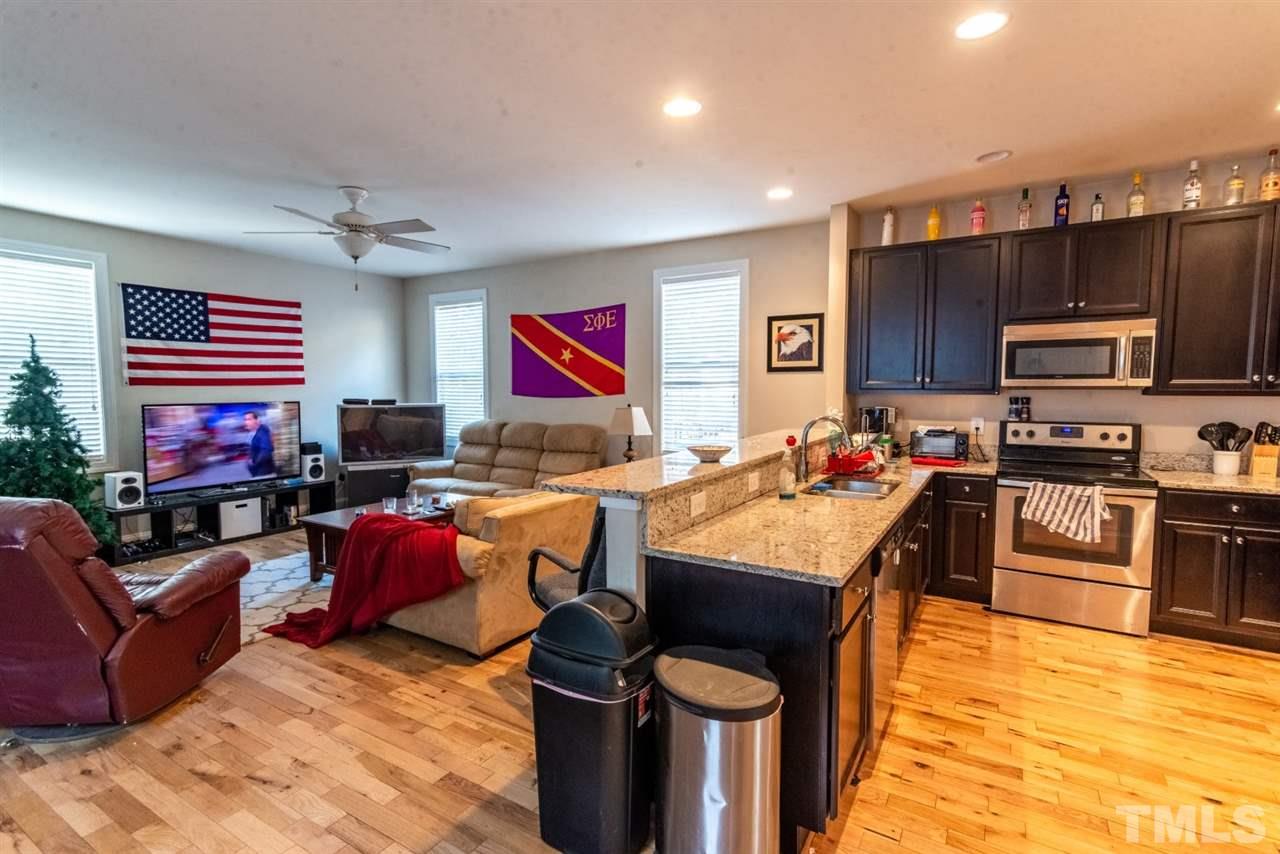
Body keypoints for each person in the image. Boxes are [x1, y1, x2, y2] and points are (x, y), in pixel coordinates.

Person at [244, 410, 276, 477]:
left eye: (249, 419)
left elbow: (266, 452)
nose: (246, 422)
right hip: (259, 473)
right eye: (245, 420)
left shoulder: (263, 433)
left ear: (257, 420)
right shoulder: (253, 433)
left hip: (264, 473)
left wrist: (254, 463)